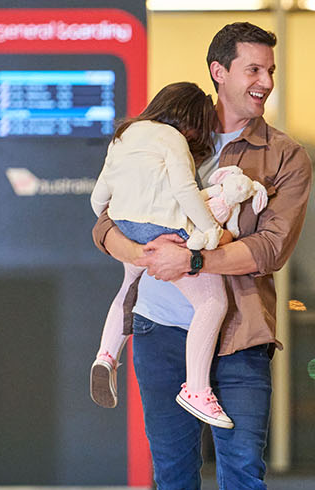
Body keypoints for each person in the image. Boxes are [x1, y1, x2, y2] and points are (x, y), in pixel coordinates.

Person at [91, 21, 311, 490]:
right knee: (173, 479)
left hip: (240, 336)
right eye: (254, 69)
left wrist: (191, 262)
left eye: (270, 71)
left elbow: (272, 247)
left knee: (243, 474)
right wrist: (143, 253)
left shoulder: (284, 155)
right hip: (158, 331)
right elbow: (106, 222)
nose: (266, 81)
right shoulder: (172, 132)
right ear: (220, 72)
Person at [89, 81, 239, 428]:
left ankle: (106, 354)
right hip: (162, 228)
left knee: (128, 288)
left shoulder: (125, 135)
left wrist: (114, 219)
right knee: (212, 302)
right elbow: (185, 191)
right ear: (189, 121)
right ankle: (197, 390)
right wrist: (209, 232)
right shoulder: (171, 139)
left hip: (125, 225)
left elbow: (99, 197)